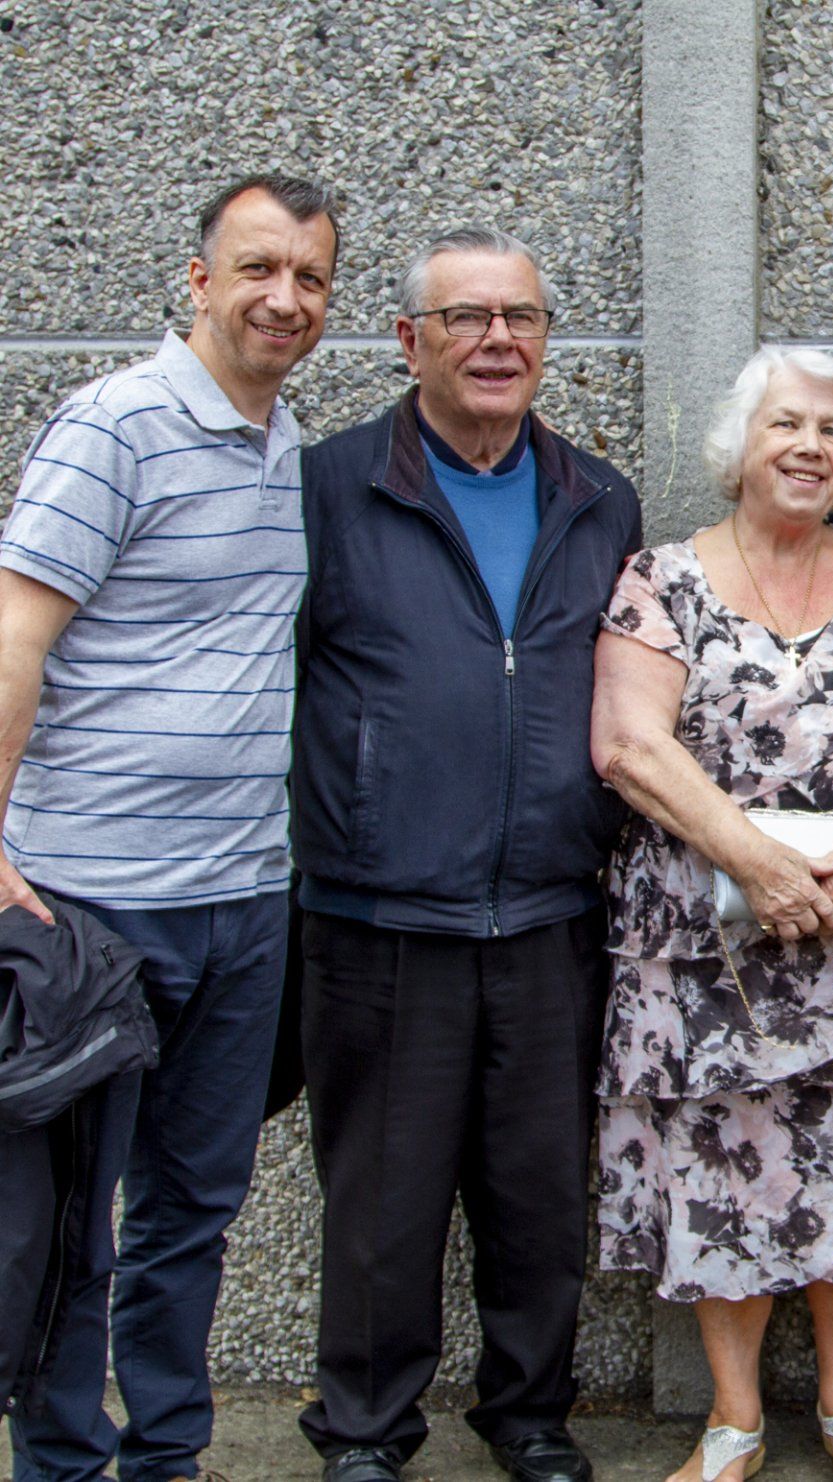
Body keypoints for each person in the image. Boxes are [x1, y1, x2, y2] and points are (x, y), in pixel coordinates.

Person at [589, 345, 833, 1482]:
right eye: (786, 426)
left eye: (831, 431)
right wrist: (757, 862)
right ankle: (736, 1417)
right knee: (721, 1156)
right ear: (739, 447)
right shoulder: (658, 578)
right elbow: (629, 743)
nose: (810, 447)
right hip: (704, 935)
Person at [292, 227, 644, 1482]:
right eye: (467, 318)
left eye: (523, 319)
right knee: (382, 1201)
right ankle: (366, 1431)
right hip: (380, 910)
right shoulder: (330, 486)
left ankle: (529, 1415)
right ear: (409, 341)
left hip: (553, 906)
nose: (499, 341)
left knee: (539, 1193)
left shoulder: (600, 498)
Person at [0, 172, 338, 1482]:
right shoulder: (118, 427)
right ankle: (66, 1462)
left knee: (196, 1206)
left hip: (244, 899)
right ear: (198, 279)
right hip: (91, 902)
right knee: (79, 1219)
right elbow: (19, 630)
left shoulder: (287, 443)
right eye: (258, 268)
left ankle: (170, 1453)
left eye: (309, 277)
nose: (284, 297)